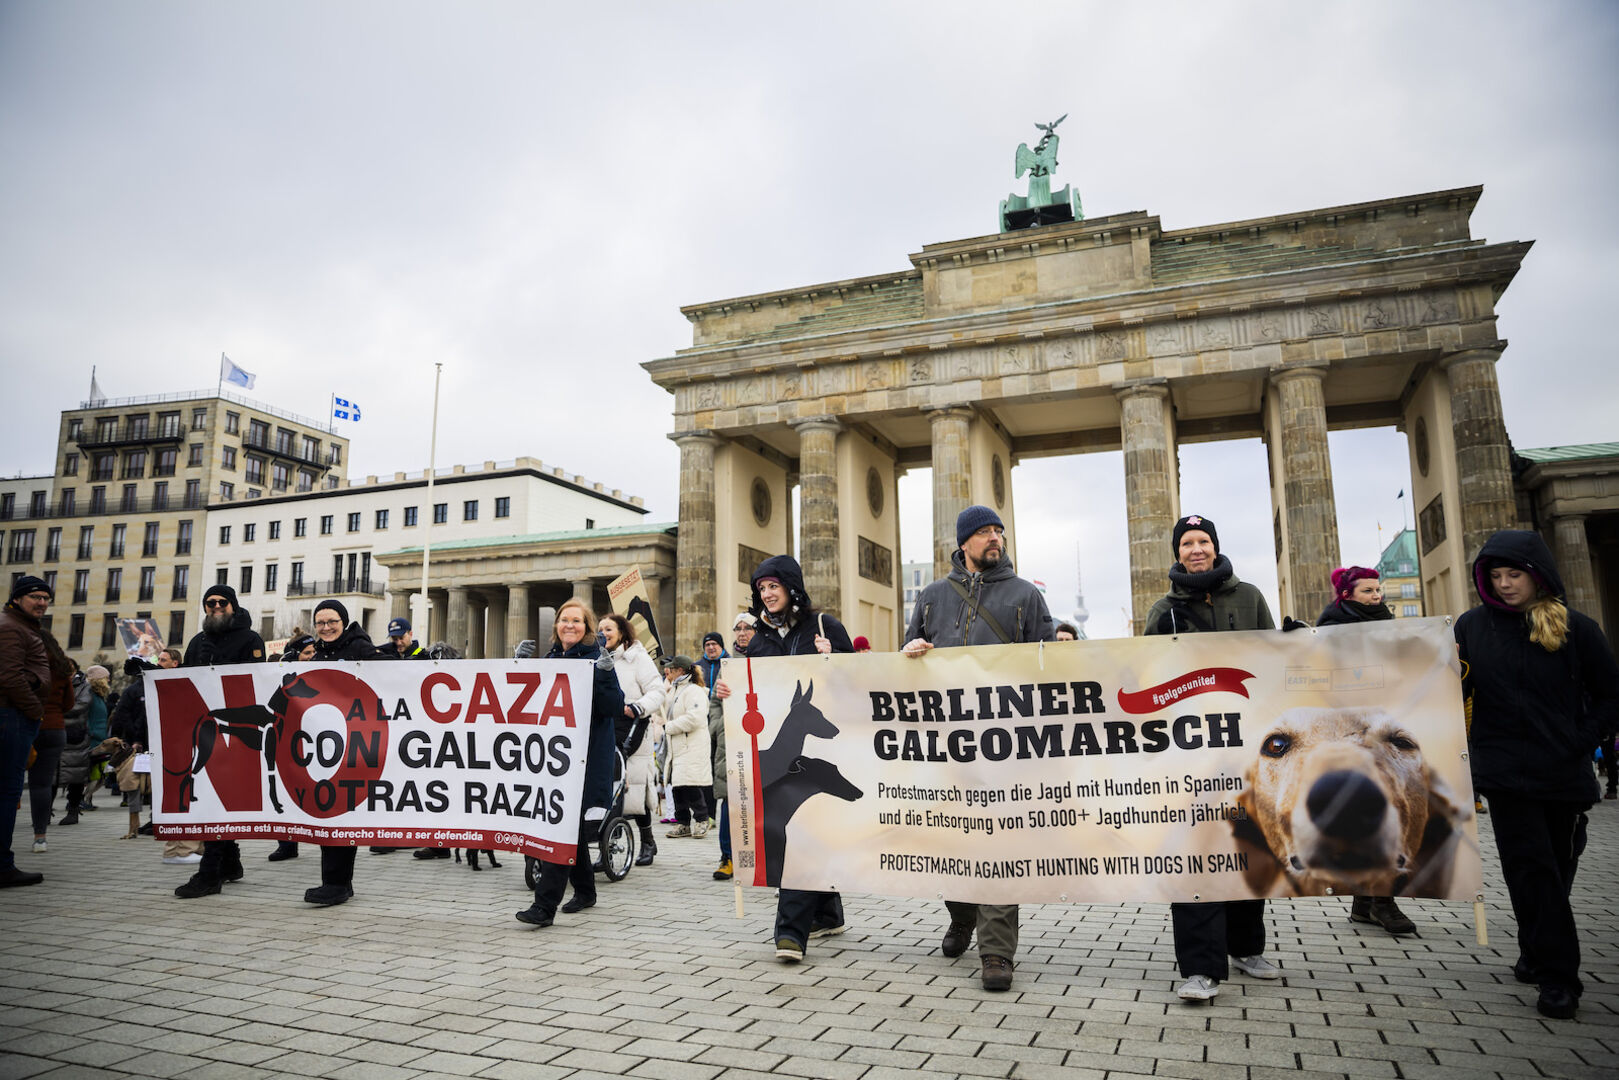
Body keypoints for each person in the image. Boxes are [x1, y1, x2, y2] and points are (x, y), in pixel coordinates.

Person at [1455, 529, 1619, 1020]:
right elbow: (1423, 673)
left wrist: (1578, 738)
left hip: (1563, 773)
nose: (1505, 585)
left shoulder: (1577, 629)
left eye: (1515, 574)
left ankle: (1535, 948)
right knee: (1532, 872)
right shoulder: (1470, 627)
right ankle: (1559, 978)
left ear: (1538, 575)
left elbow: (1610, 695)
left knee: (1559, 867)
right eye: (1496, 576)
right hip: (1505, 775)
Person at [902, 505, 1055, 991]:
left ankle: (996, 951)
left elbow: (1049, 665)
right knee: (950, 841)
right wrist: (911, 654)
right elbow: (905, 663)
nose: (995, 538)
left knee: (997, 844)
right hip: (947, 746)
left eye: (999, 532)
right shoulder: (930, 597)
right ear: (964, 542)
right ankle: (962, 914)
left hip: (1004, 745)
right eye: (985, 532)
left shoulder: (1025, 596)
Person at [1143, 514, 1280, 1002]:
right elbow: (1147, 676)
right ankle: (1201, 967)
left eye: (1203, 541)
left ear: (1215, 547)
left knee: (1247, 847)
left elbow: (1275, 662)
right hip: (1189, 754)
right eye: (1186, 543)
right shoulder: (1164, 610)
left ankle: (1246, 947)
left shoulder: (1250, 598)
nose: (1195, 549)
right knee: (1196, 853)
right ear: (1177, 552)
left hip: (1245, 749)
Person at [714, 554, 853, 964]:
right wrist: (725, 690)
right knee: (800, 830)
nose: (767, 594)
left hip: (823, 752)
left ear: (792, 588)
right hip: (783, 758)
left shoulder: (825, 627)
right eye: (760, 589)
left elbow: (855, 684)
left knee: (806, 832)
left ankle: (789, 933)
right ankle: (826, 913)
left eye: (773, 586)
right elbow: (753, 693)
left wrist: (837, 659)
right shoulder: (758, 639)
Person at [1315, 565, 1415, 936]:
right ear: (1348, 595)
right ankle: (1382, 901)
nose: (1377, 597)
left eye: (1378, 590)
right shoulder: (1330, 628)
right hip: (1348, 736)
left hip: (1386, 732)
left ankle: (1366, 901)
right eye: (1369, 591)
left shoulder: (1390, 627)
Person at [516, 599, 624, 927]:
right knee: (570, 828)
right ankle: (586, 891)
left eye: (577, 621)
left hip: (585, 759)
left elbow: (613, 707)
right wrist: (518, 669)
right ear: (556, 626)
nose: (569, 626)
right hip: (554, 760)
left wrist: (605, 677)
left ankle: (544, 907)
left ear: (587, 627)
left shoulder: (597, 659)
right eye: (564, 620)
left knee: (560, 828)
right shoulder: (551, 660)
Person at [174, 584, 267, 899]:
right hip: (203, 731)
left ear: (233, 606)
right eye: (209, 602)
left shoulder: (250, 639)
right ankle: (229, 863)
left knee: (218, 801)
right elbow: (184, 681)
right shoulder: (197, 642)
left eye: (221, 602)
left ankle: (210, 873)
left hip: (235, 732)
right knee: (214, 799)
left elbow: (254, 682)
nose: (215, 607)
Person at [302, 598, 393, 903]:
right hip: (326, 745)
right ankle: (334, 882)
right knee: (329, 812)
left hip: (357, 746)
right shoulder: (317, 655)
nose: (326, 628)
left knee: (342, 814)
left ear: (344, 623)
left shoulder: (359, 649)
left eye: (332, 622)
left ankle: (339, 884)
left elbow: (391, 673)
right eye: (320, 623)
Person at [0, 577, 58, 886]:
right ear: (18, 598)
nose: (42, 603)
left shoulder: (20, 626)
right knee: (7, 793)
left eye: (46, 598)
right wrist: (35, 711)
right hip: (13, 716)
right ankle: (2, 865)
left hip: (15, 715)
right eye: (35, 596)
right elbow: (8, 676)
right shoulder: (11, 627)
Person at [599, 613, 665, 867]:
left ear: (622, 632)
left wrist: (637, 707)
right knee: (607, 786)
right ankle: (608, 845)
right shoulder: (598, 657)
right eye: (601, 628)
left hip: (633, 724)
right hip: (607, 724)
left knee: (634, 784)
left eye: (610, 628)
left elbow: (657, 690)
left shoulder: (637, 657)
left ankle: (647, 841)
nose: (604, 632)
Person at [713, 612, 757, 880]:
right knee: (731, 801)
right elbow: (715, 701)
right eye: (737, 628)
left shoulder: (771, 658)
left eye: (747, 628)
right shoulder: (727, 664)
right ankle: (728, 857)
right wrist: (717, 726)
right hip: (732, 741)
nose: (742, 633)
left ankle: (754, 856)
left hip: (761, 739)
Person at [661, 655, 712, 839]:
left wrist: (670, 727)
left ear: (680, 671)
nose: (668, 673)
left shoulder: (694, 691)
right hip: (677, 746)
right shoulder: (675, 690)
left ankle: (702, 820)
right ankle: (683, 823)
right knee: (677, 787)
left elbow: (695, 718)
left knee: (690, 785)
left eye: (671, 670)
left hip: (691, 745)